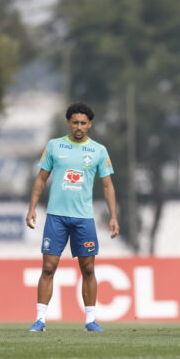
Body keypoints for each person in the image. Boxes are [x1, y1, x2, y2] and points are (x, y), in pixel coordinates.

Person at [26, 103, 119, 332]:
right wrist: (32, 208)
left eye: (83, 123)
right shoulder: (55, 146)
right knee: (48, 268)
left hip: (83, 218)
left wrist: (114, 217)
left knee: (88, 269)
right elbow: (41, 179)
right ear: (68, 123)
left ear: (90, 124)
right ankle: (40, 320)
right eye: (75, 122)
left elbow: (107, 185)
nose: (79, 127)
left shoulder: (98, 150)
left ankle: (90, 320)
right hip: (56, 217)